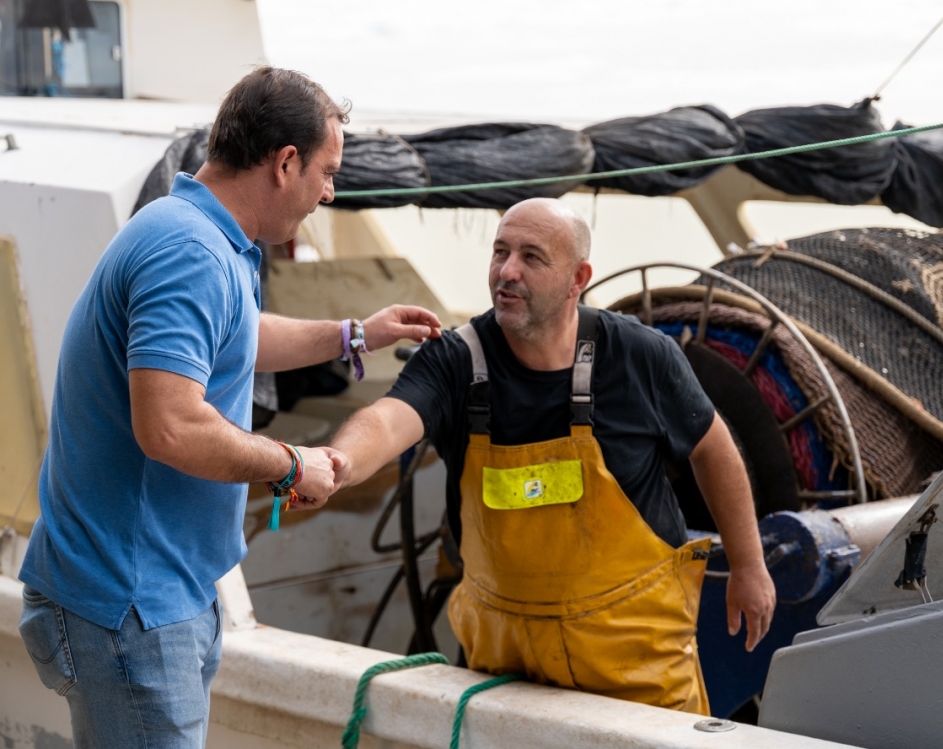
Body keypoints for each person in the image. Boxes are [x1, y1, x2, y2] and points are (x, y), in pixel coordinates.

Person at [17, 66, 442, 749]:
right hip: (131, 606)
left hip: (164, 593)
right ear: (284, 162)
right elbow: (170, 425)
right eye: (326, 172)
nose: (328, 192)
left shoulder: (203, 232)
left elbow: (237, 336)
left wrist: (353, 334)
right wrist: (289, 463)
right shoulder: (188, 251)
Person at [328, 198, 775, 713]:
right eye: (500, 252)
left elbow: (714, 449)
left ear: (577, 277)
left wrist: (748, 564)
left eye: (532, 257)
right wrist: (338, 463)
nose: (507, 271)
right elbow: (386, 420)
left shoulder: (639, 355)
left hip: (636, 665)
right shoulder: (455, 360)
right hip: (506, 667)